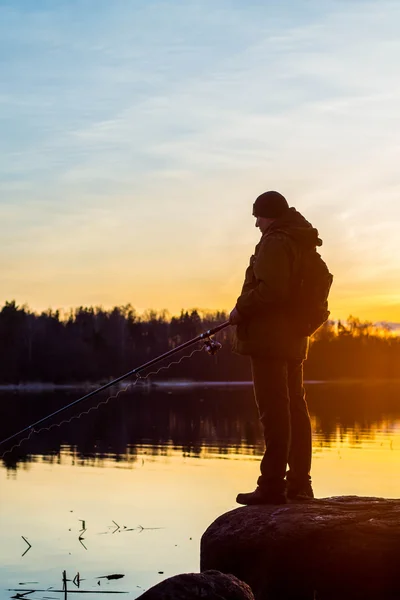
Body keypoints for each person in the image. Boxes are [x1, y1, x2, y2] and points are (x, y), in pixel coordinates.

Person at [230, 191, 323, 505]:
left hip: (270, 340)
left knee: (275, 411)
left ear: (269, 215)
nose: (256, 224)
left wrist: (240, 309)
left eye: (258, 216)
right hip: (294, 338)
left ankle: (271, 486)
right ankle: (299, 483)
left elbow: (271, 291)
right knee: (295, 408)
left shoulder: (275, 241)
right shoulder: (302, 241)